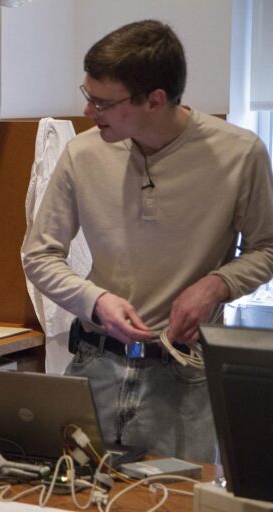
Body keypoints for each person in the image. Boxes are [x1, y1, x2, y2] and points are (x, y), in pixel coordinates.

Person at [22, 19, 273, 463]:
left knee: (173, 503)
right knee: (76, 500)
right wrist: (95, 300)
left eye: (102, 102)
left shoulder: (240, 153)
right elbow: (39, 255)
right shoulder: (83, 153)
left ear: (155, 99)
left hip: (185, 376)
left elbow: (267, 249)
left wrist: (216, 284)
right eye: (88, 96)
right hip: (93, 364)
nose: (87, 113)